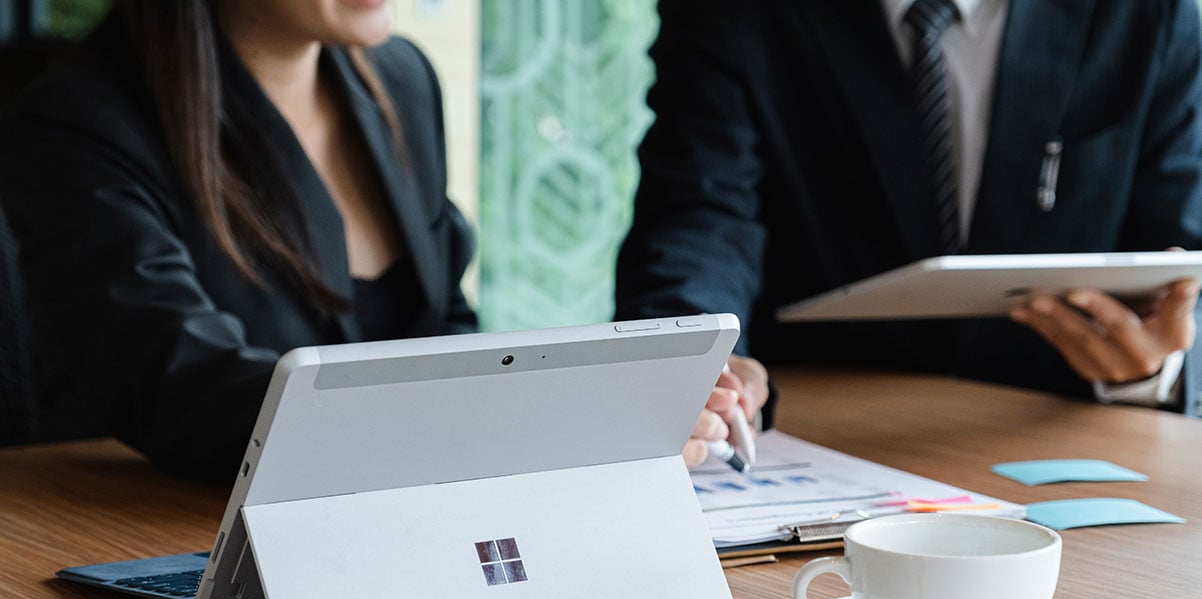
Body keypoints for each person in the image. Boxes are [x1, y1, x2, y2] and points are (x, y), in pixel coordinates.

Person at [619, 0, 1202, 439]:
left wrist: (1157, 369)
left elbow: (1185, 247)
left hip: (1066, 432)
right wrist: (693, 360)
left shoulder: (1150, 14)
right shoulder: (733, 14)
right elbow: (700, 217)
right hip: (819, 434)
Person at [0, 0, 478, 482]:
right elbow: (180, 384)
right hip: (167, 528)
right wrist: (429, 436)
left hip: (399, 511)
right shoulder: (77, 127)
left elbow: (445, 318)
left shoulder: (403, 77)